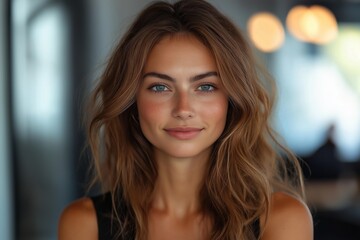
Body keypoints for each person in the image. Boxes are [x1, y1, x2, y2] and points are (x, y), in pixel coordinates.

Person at [58, 0, 313, 239]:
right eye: (160, 87)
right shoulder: (83, 224)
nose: (183, 109)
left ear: (232, 101)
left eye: (205, 87)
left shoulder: (282, 220)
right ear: (131, 101)